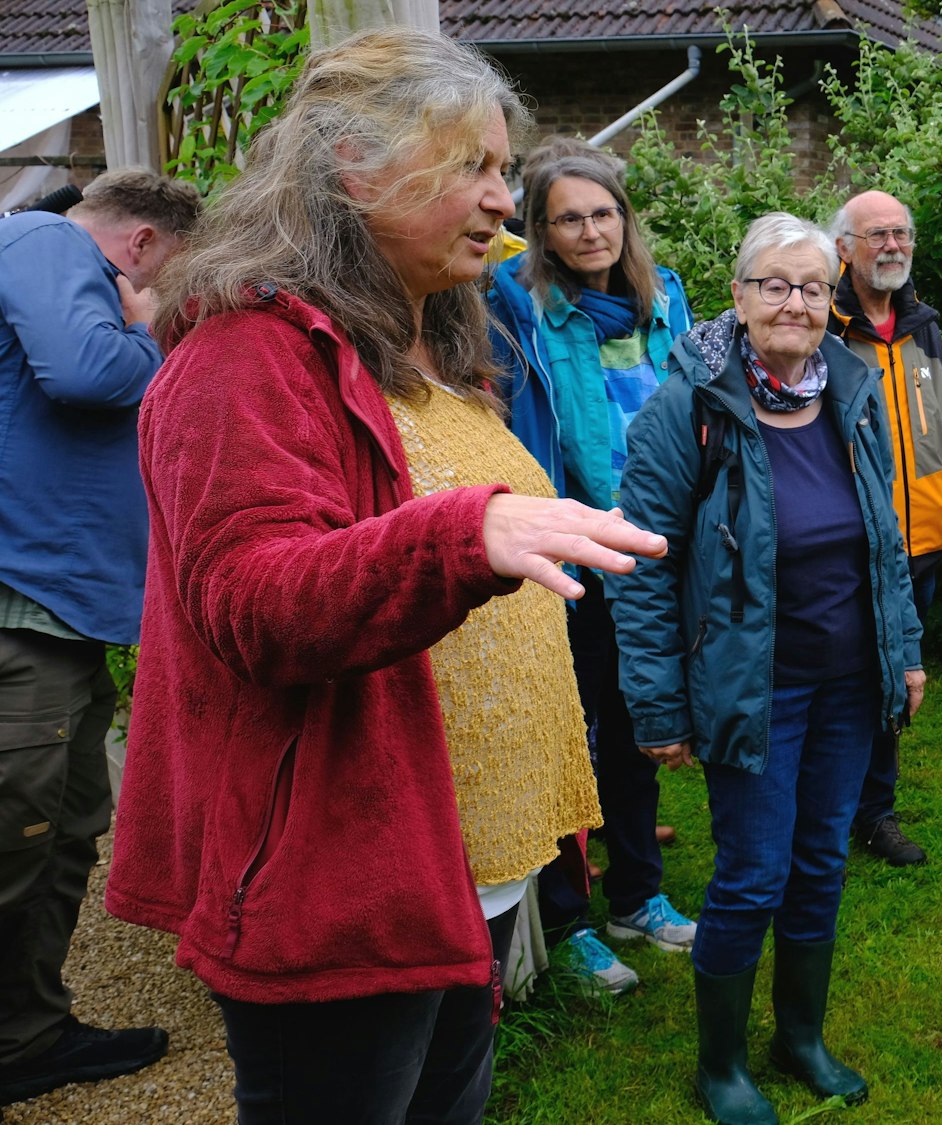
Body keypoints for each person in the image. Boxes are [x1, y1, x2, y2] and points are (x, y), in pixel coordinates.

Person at [102, 29, 664, 1122]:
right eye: (476, 167)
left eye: (507, 170)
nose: (507, 199)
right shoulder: (243, 355)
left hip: (463, 873)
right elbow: (252, 602)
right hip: (345, 878)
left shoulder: (429, 346)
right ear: (354, 167)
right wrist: (460, 537)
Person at [610, 213, 923, 1125]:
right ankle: (721, 1065)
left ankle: (800, 1037)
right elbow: (644, 559)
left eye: (815, 287)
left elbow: (884, 538)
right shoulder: (692, 407)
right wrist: (659, 704)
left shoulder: (854, 391)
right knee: (752, 871)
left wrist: (899, 648)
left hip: (848, 682)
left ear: (835, 300)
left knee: (822, 861)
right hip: (753, 686)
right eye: (776, 284)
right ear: (739, 296)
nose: (797, 302)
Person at [0, 168, 199, 1105]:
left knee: (63, 827)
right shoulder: (43, 241)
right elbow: (83, 372)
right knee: (15, 832)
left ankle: (27, 1037)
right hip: (19, 610)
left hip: (62, 614)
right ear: (143, 246)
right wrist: (149, 323)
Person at [488, 136, 699, 993]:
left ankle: (637, 894)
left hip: (650, 551)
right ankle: (568, 919)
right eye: (567, 219)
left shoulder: (664, 298)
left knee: (639, 724)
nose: (590, 232)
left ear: (625, 217)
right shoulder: (518, 306)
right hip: (569, 555)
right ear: (538, 230)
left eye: (603, 213)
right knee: (563, 741)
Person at [829, 189, 942, 868]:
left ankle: (874, 811)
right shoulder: (824, 328)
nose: (892, 246)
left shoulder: (923, 326)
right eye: (876, 234)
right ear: (843, 249)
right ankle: (830, 806)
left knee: (895, 681)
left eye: (901, 234)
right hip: (852, 541)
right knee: (845, 677)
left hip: (923, 541)